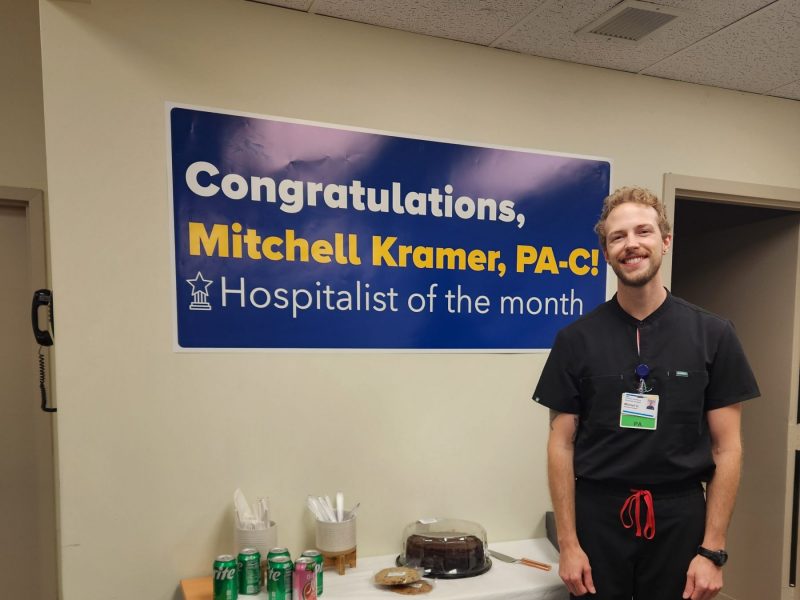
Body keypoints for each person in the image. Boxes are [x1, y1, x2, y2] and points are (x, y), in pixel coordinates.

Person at [532, 187, 759, 600]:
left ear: (665, 241)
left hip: (680, 519)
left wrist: (713, 550)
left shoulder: (714, 335)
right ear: (605, 250)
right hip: (598, 520)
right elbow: (560, 444)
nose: (631, 244)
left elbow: (728, 449)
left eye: (643, 232)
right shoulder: (575, 340)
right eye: (617, 237)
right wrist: (568, 544)